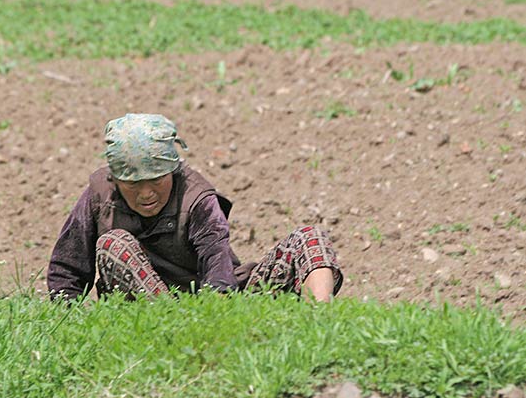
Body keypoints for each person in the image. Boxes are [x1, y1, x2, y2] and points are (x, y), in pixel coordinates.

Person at [47, 113, 342, 302]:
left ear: (172, 172)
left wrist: (210, 318)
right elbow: (67, 271)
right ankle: (167, 324)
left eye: (156, 181)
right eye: (133, 184)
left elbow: (218, 269)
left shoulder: (197, 197)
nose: (146, 193)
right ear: (116, 179)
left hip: (210, 297)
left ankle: (319, 320)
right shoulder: (99, 195)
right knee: (113, 243)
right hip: (142, 311)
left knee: (309, 237)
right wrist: (69, 321)